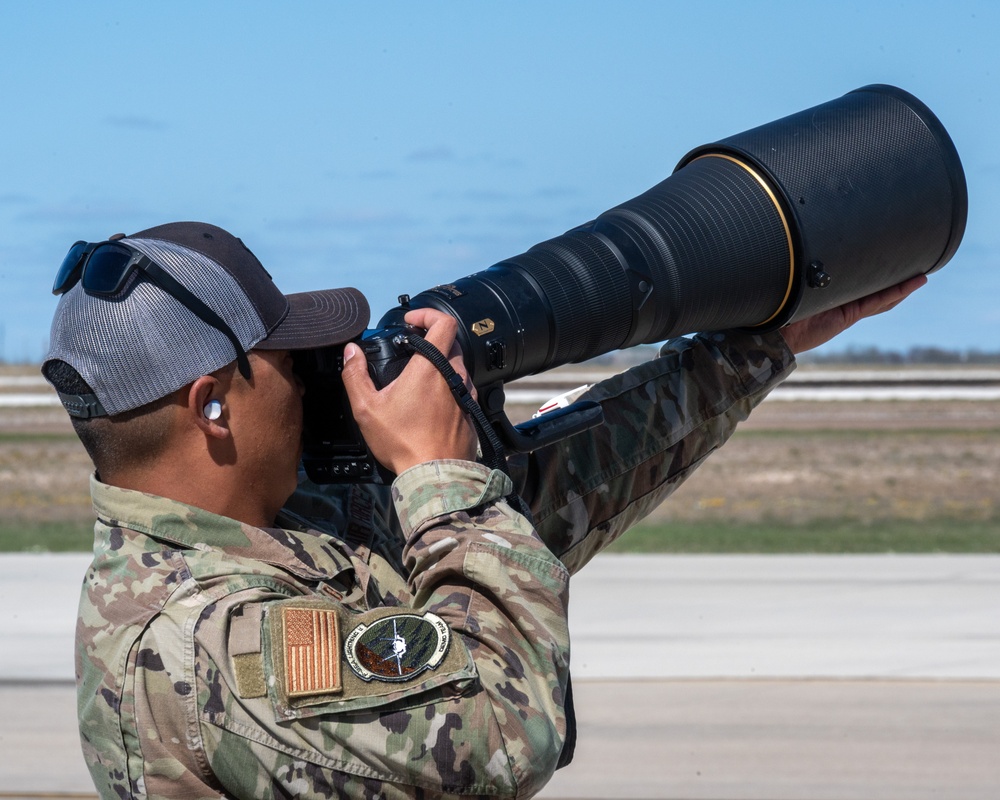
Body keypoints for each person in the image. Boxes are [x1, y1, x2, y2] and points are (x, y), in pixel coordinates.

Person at [43, 221, 925, 799]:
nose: (317, 375)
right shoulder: (206, 647)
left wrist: (753, 348)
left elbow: (541, 510)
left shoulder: (264, 541)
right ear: (211, 403)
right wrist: (435, 473)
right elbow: (504, 730)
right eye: (283, 361)